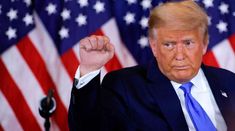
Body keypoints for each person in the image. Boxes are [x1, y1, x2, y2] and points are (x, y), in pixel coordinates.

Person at [68, 0, 235, 131]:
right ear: (154, 46)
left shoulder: (228, 81)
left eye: (188, 43)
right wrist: (89, 69)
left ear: (204, 44)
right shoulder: (125, 86)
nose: (179, 55)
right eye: (169, 44)